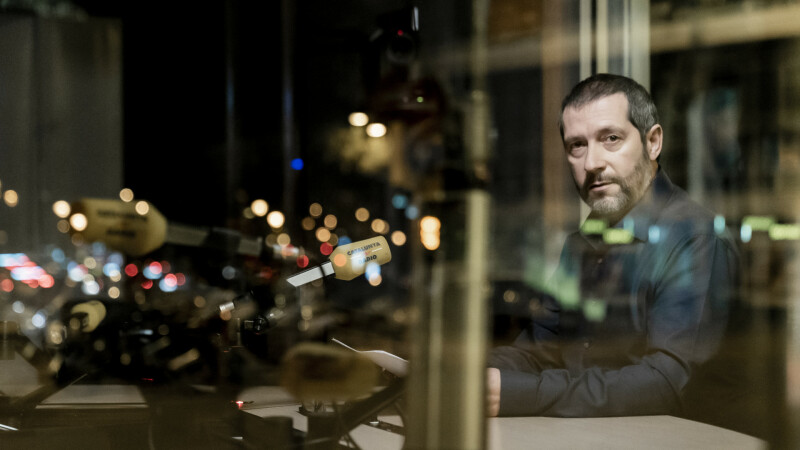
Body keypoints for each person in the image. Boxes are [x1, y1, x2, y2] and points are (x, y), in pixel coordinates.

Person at [486, 73, 738, 417]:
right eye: (577, 145)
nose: (592, 163)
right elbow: (538, 351)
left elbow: (667, 384)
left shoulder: (695, 237)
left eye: (611, 139)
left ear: (653, 142)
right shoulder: (582, 242)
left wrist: (520, 394)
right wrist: (462, 374)